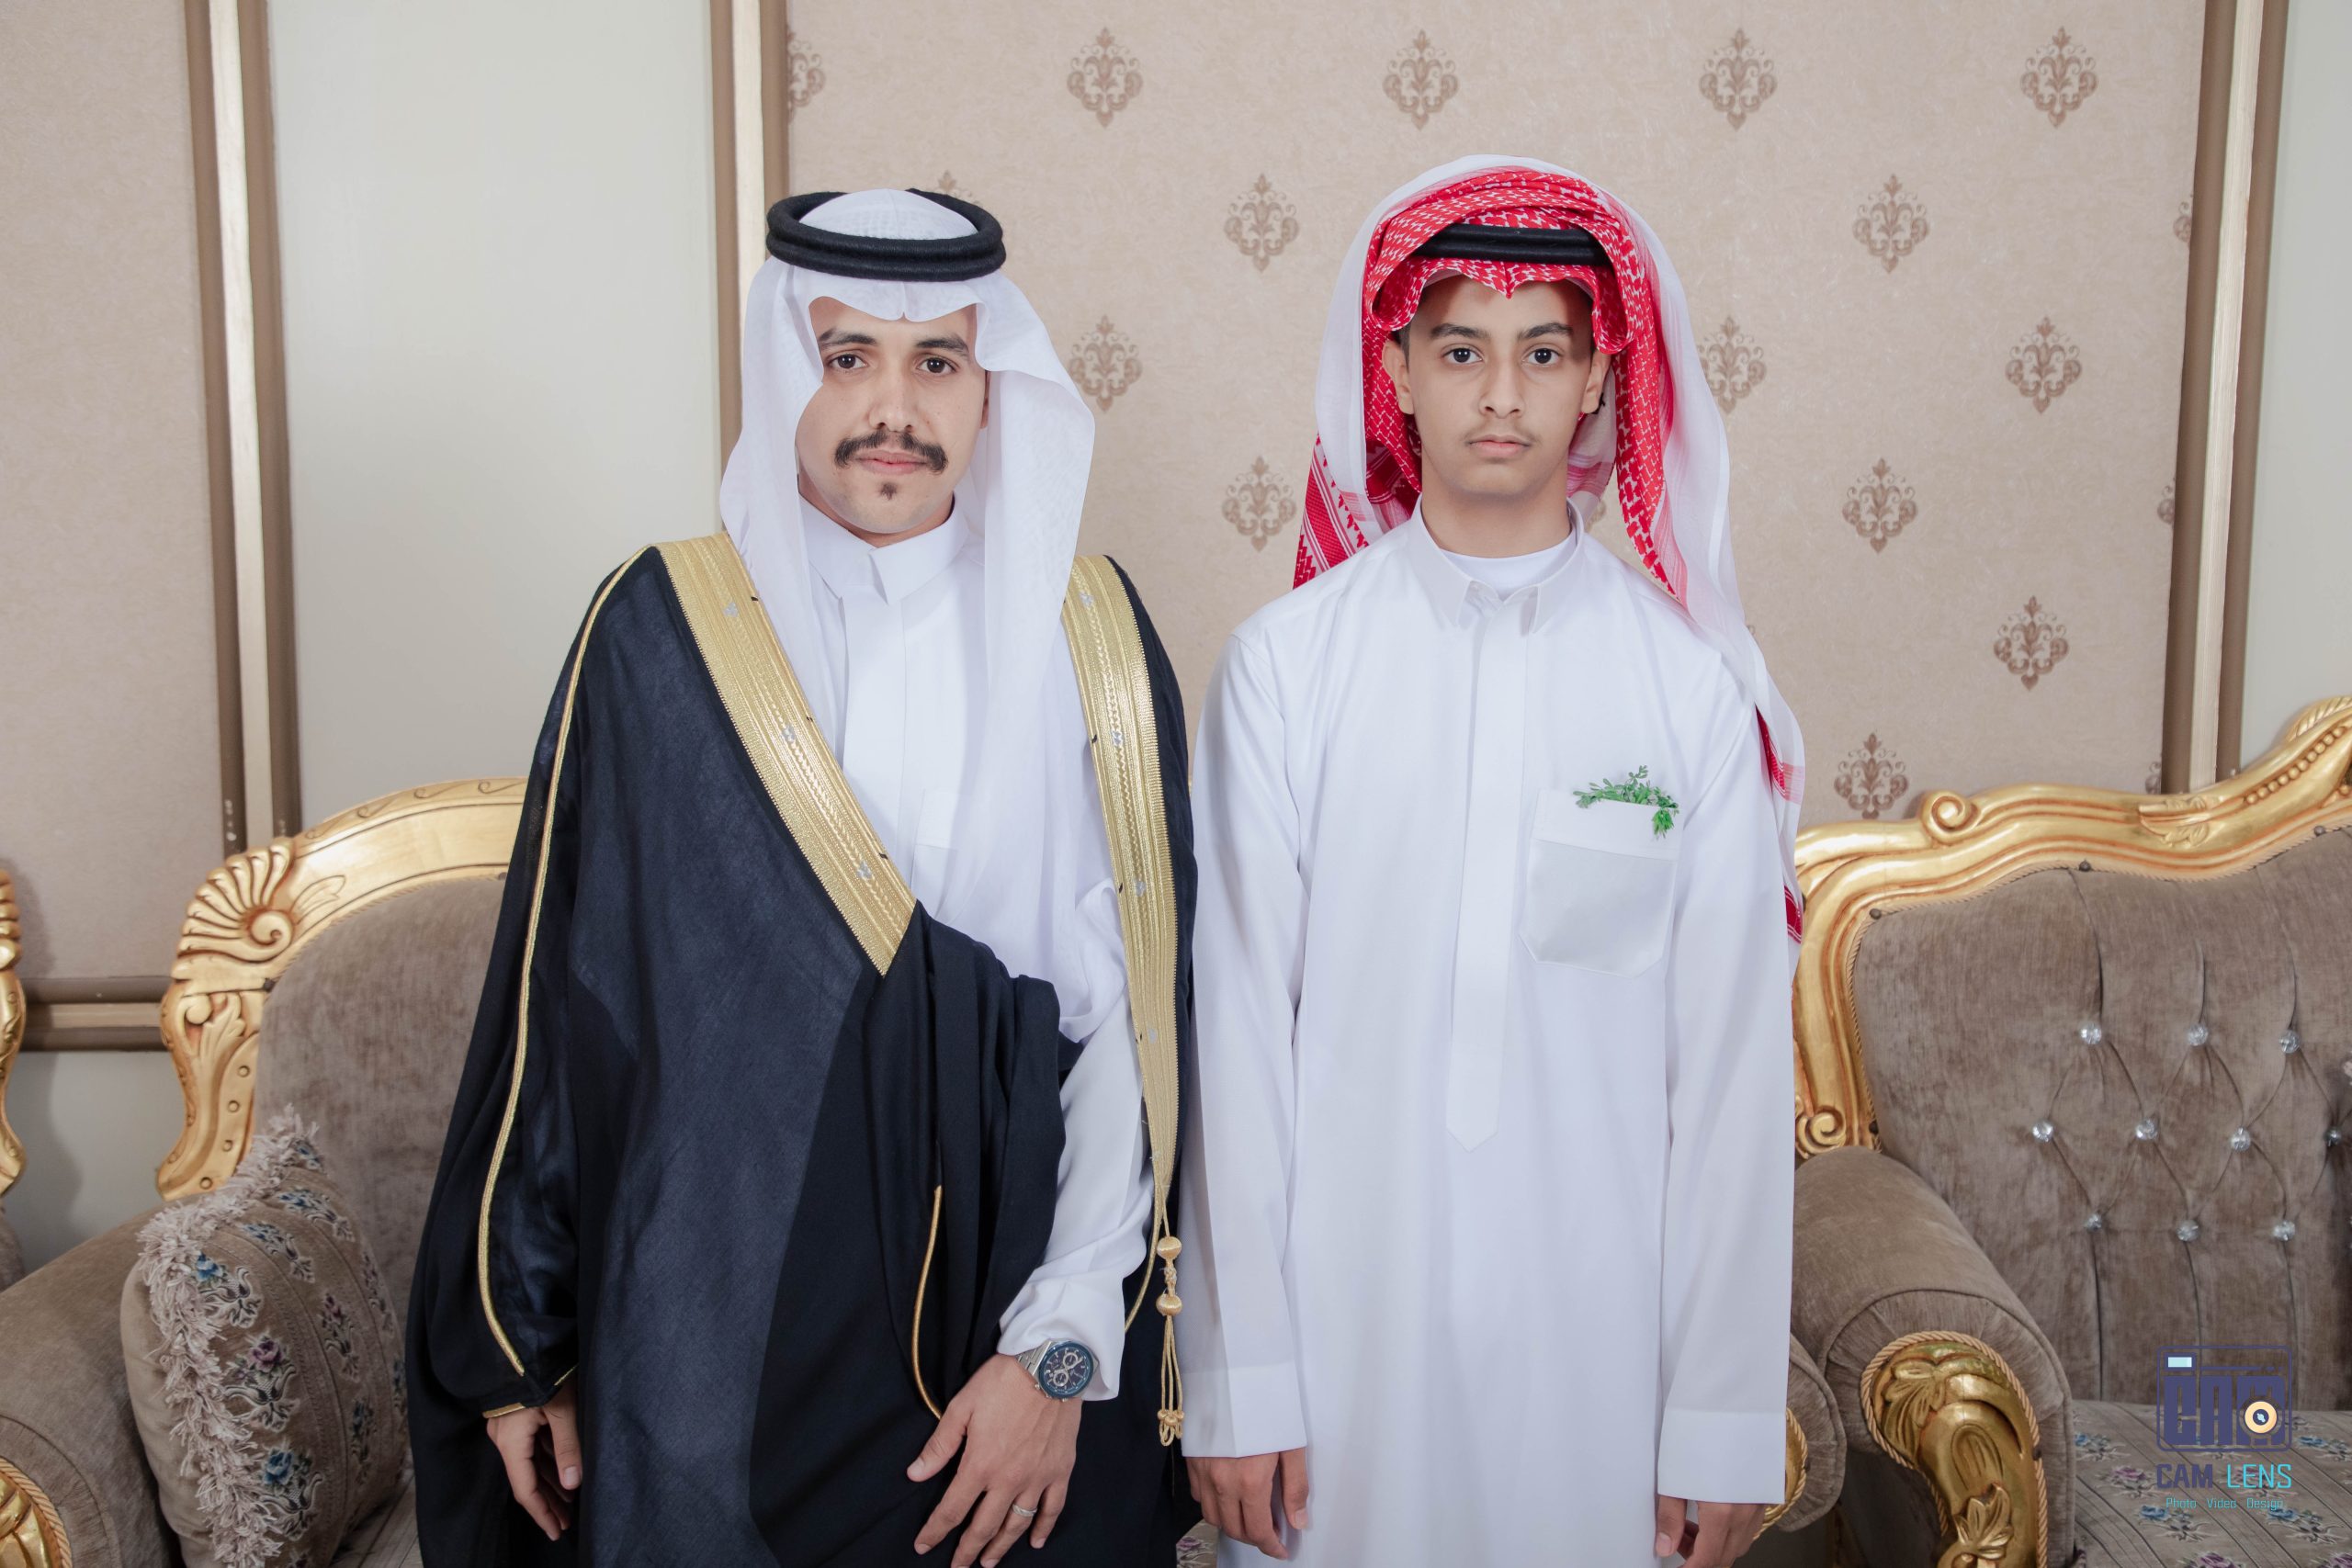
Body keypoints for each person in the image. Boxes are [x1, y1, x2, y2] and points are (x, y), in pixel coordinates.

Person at [405, 187, 1198, 1567]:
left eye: (937, 362)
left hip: (1018, 1326)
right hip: (724, 1322)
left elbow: (1135, 1038)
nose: (893, 407)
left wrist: (1060, 1354)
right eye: (847, 357)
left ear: (990, 391)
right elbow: (563, 1008)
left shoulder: (1096, 642)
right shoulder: (665, 629)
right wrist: (523, 1343)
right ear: (788, 372)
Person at [1176, 156, 1805, 1567]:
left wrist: (1716, 1419)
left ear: (1598, 381)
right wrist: (1241, 1380)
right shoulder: (1286, 671)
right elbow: (1240, 1049)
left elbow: (1726, 1086)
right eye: (1461, 351)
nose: (1502, 395)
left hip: (1598, 1357)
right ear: (1396, 371)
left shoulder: (1687, 690)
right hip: (1337, 1346)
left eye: (1544, 353)